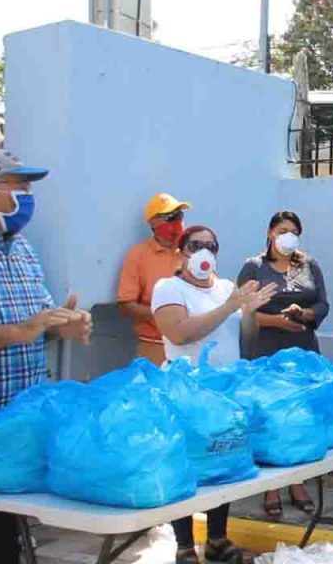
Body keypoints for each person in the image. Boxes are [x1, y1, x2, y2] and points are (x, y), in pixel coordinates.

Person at [153, 225, 277, 564]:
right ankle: (183, 545)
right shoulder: (169, 288)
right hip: (187, 395)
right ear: (181, 253)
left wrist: (249, 312)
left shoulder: (225, 288)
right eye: (195, 245)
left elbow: (244, 339)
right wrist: (230, 306)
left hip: (223, 395)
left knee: (223, 462)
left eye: (211, 246)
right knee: (187, 466)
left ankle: (218, 540)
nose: (204, 252)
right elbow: (179, 333)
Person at [0, 149, 92, 562]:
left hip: (20, 425)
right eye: (21, 186)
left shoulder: (24, 251)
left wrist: (65, 326)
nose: (29, 196)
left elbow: (42, 323)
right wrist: (25, 330)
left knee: (7, 540)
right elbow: (25, 328)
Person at [238, 210, 330, 520]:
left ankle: (298, 483)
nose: (287, 235)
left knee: (300, 420)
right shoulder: (254, 268)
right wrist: (277, 320)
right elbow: (242, 311)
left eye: (293, 230)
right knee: (272, 420)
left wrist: (302, 314)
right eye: (282, 229)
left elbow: (322, 304)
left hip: (302, 354)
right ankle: (272, 488)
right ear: (269, 232)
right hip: (266, 353)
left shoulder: (308, 265)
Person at [117, 193, 190, 365]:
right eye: (169, 218)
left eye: (179, 216)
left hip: (192, 345)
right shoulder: (138, 255)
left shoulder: (192, 251)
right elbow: (125, 305)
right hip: (154, 346)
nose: (176, 222)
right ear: (153, 224)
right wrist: (166, 316)